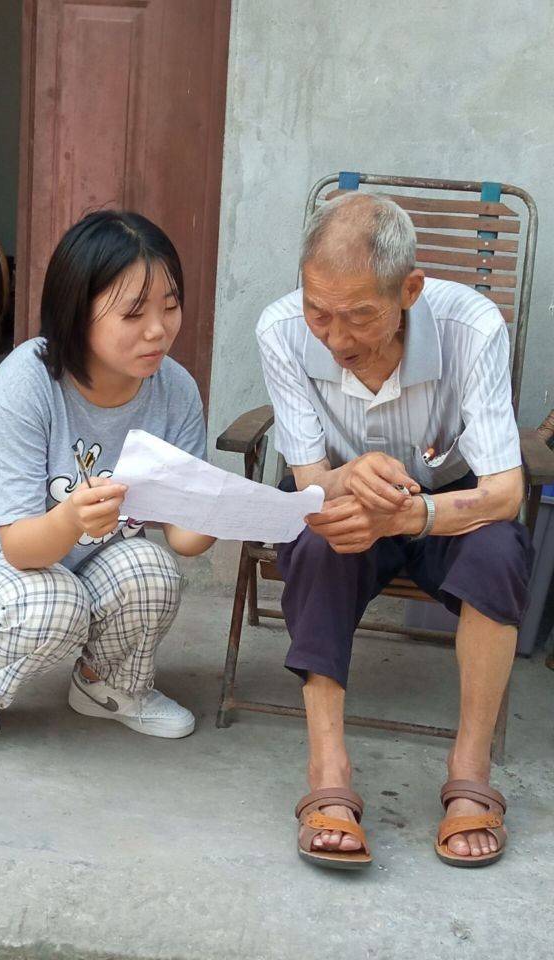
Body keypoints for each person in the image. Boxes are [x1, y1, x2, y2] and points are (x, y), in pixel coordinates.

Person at [257, 192, 531, 869]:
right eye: (320, 311)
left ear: (409, 290)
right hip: (347, 496)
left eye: (360, 316)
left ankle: (470, 772)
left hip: (448, 505)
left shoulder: (473, 329)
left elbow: (505, 490)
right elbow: (311, 475)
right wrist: (354, 478)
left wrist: (419, 513)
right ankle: (329, 771)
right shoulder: (283, 329)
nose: (337, 337)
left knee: (499, 550)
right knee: (317, 536)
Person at [0, 210, 214, 768]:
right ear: (77, 311)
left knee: (151, 571)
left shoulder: (175, 389)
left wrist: (229, 510)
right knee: (53, 599)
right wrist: (73, 519)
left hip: (90, 566)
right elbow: (21, 547)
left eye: (170, 305)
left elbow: (186, 540)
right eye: (133, 312)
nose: (158, 329)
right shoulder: (29, 380)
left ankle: (108, 686)